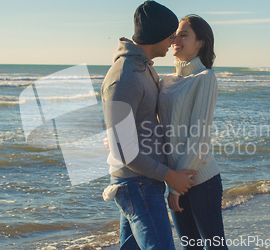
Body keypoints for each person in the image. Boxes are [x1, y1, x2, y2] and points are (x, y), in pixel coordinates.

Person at [101, 1, 197, 249]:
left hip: (143, 181)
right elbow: (123, 150)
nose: (172, 41)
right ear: (156, 35)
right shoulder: (125, 77)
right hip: (137, 184)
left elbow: (131, 130)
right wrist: (170, 176)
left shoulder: (143, 69)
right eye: (170, 35)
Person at [158, 15, 228, 250]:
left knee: (215, 247)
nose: (176, 39)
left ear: (200, 42)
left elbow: (198, 137)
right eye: (175, 34)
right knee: (191, 248)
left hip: (202, 182)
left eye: (184, 34)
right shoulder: (164, 81)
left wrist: (177, 186)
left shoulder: (205, 78)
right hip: (175, 179)